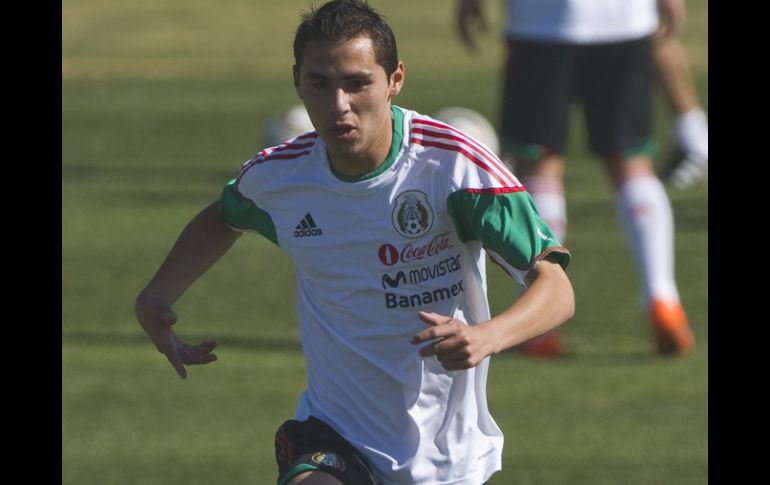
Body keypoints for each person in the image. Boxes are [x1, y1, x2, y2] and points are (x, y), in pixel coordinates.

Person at [134, 1, 574, 484]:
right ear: (297, 81)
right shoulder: (280, 177)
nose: (338, 104)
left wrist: (487, 337)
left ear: (395, 79)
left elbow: (555, 288)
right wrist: (158, 295)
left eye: (357, 83)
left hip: (447, 456)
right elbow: (224, 215)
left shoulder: (455, 169)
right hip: (333, 435)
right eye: (320, 84)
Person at [455, 0, 696, 357]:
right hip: (624, 18)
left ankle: (539, 325)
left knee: (540, 164)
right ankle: (663, 299)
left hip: (541, 23)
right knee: (631, 163)